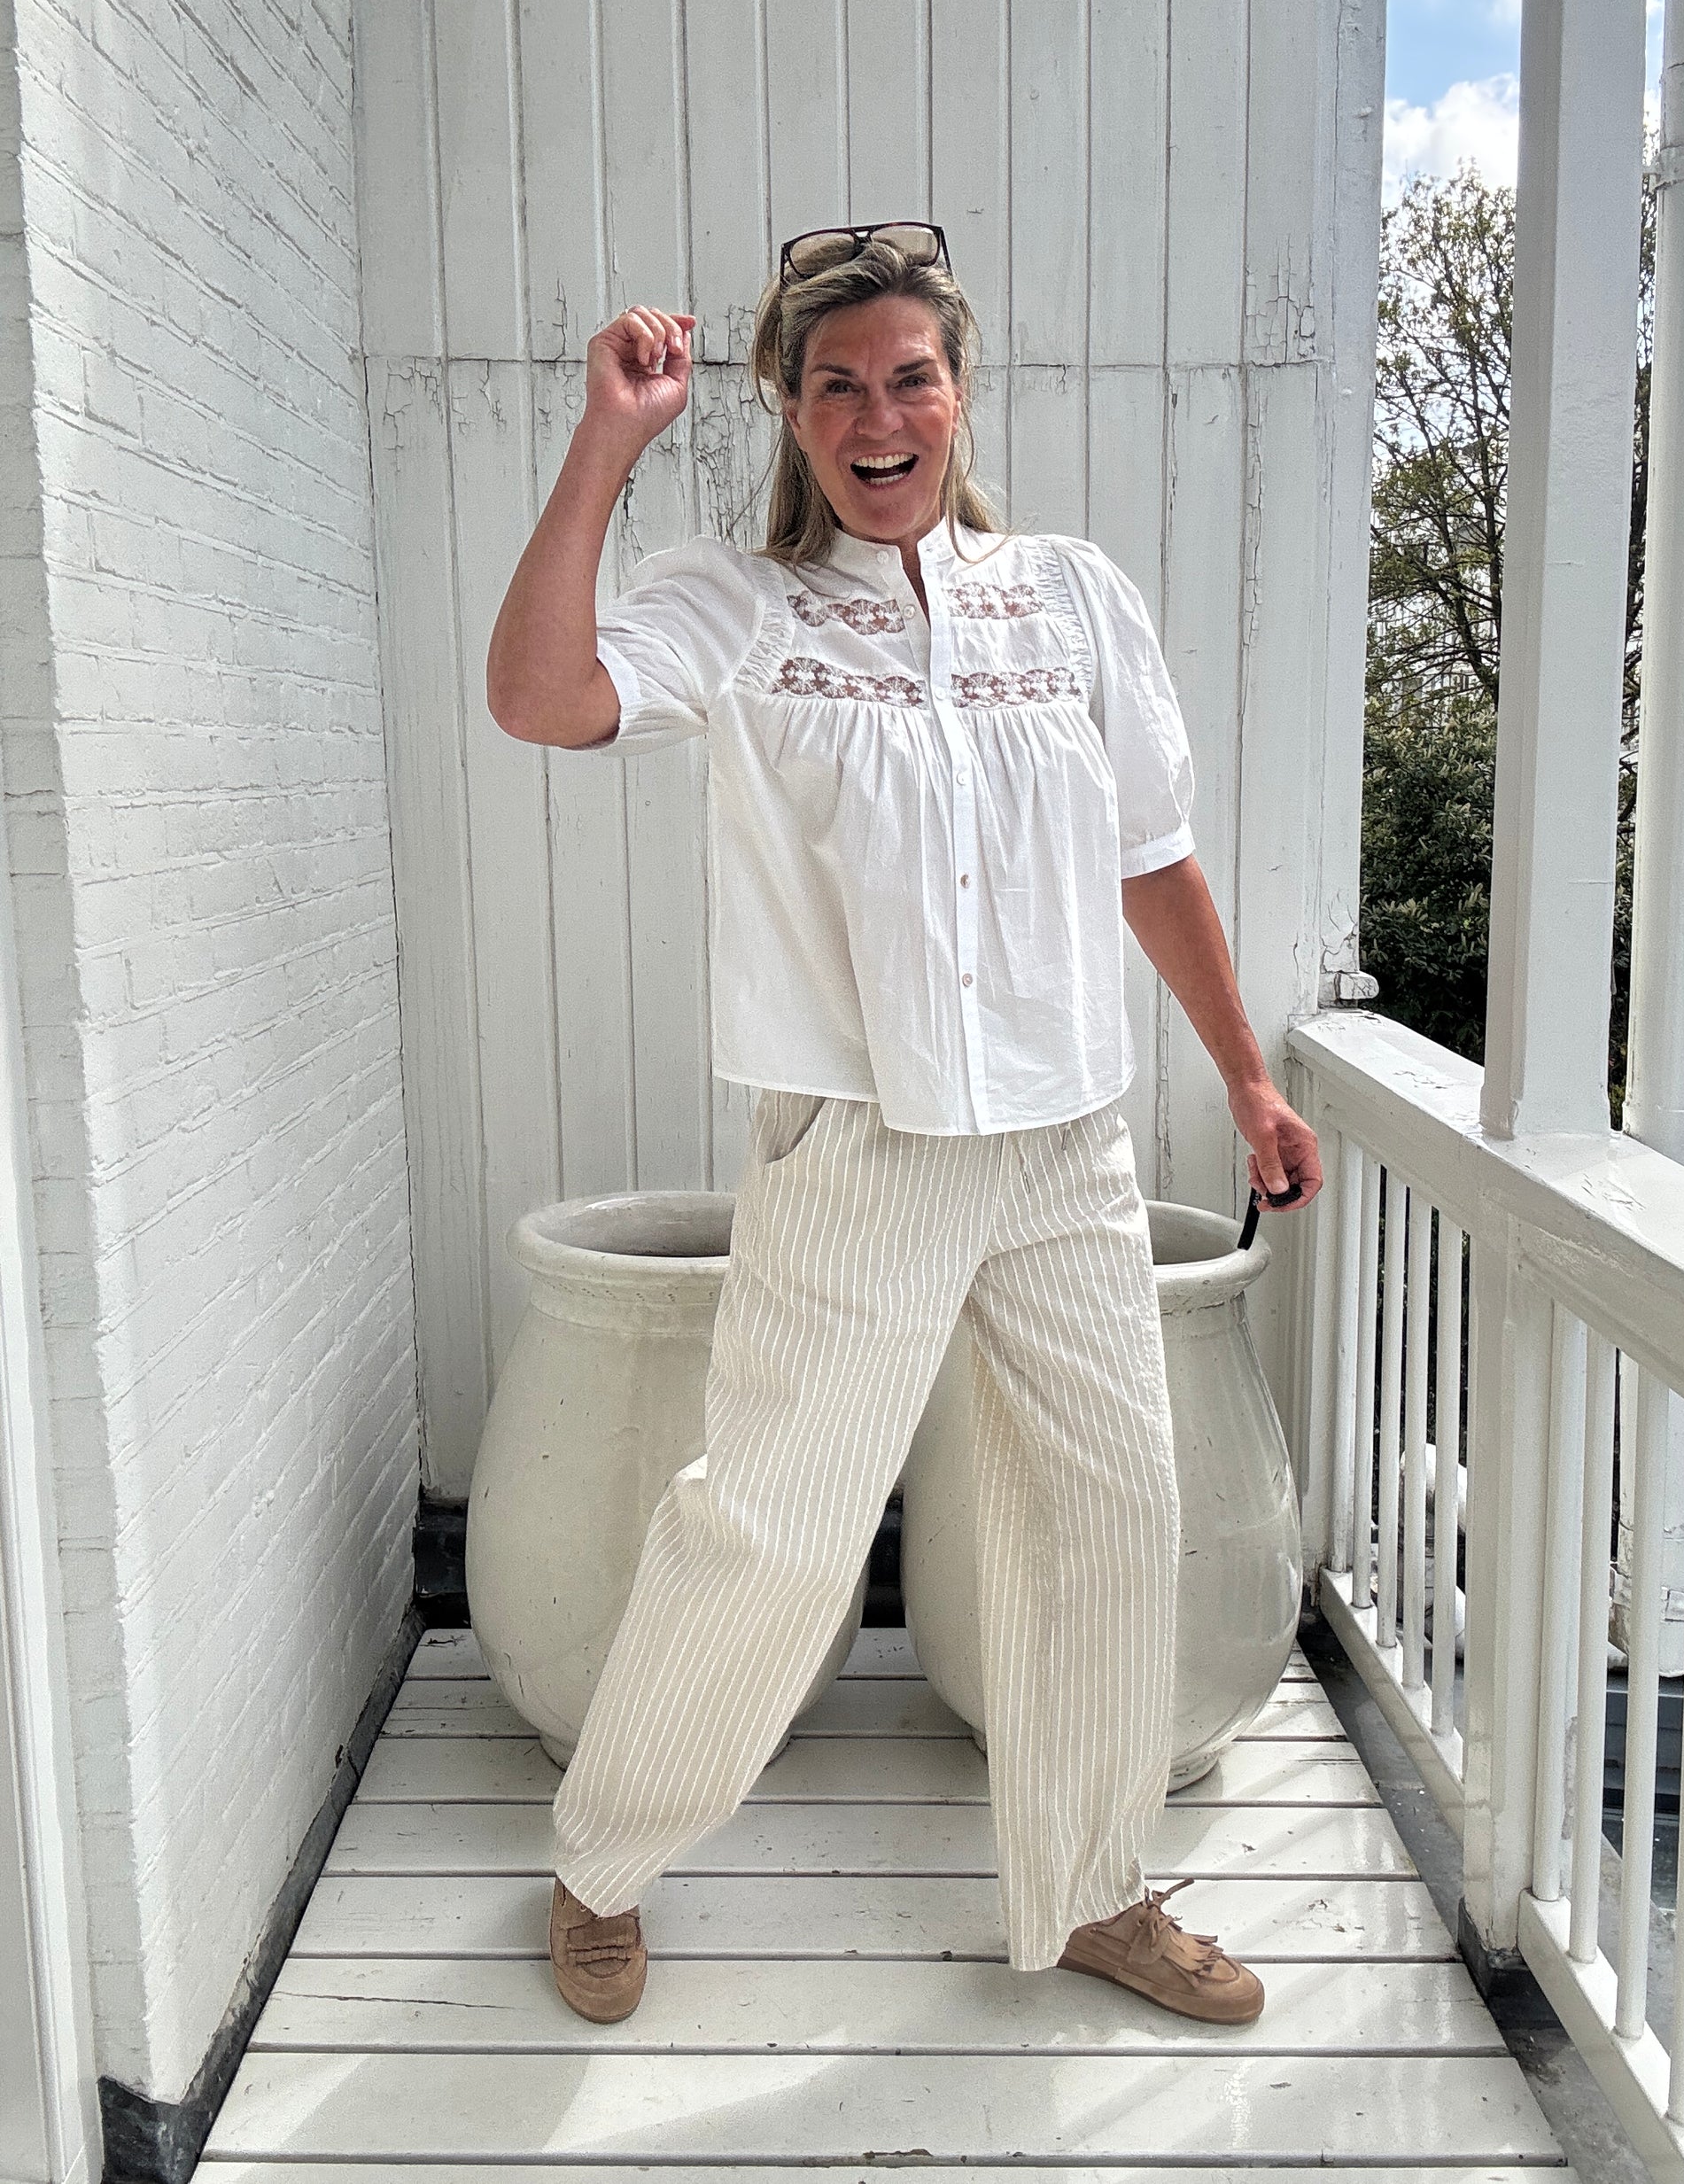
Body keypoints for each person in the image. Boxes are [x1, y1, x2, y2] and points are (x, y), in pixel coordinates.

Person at [486, 222, 1323, 2031]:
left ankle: (1091, 1887)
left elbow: (1151, 853)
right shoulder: (738, 604)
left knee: (1112, 1512)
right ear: (789, 409)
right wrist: (608, 443)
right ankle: (602, 1863)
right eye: (837, 383)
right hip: (857, 1144)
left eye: (911, 377)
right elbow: (541, 697)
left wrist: (1243, 1074)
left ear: (959, 390)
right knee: (773, 1523)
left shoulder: (1071, 595)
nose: (879, 415)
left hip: (1064, 1143)